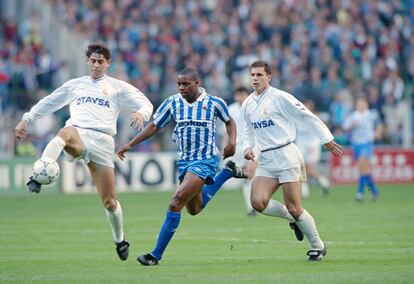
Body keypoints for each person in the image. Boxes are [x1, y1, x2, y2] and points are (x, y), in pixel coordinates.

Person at [14, 43, 153, 261]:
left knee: (109, 202)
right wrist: (27, 119)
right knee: (65, 132)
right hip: (78, 134)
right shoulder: (76, 85)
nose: (96, 65)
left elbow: (145, 103)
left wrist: (141, 114)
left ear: (108, 63)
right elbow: (50, 102)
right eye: (93, 61)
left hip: (103, 142)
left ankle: (120, 240)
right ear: (88, 61)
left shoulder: (117, 87)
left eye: (101, 61)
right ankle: (38, 176)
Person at [117, 67, 243, 266]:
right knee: (194, 209)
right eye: (179, 84)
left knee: (175, 202)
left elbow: (230, 121)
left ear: (197, 83)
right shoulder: (172, 102)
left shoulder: (214, 102)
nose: (182, 88)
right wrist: (131, 144)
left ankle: (155, 256)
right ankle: (227, 172)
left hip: (206, 160)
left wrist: (232, 142)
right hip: (184, 162)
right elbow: (155, 125)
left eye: (186, 84)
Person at [241, 60, 343, 261]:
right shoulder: (247, 103)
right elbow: (247, 130)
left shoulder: (280, 97)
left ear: (269, 77)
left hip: (286, 154)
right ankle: (292, 220)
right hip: (267, 158)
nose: (255, 78)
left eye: (259, 75)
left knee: (295, 207)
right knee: (257, 202)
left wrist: (326, 139)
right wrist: (247, 147)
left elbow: (306, 116)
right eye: (252, 75)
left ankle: (317, 245)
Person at [221, 86, 258, 216]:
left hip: (252, 146)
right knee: (246, 176)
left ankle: (251, 207)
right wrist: (224, 147)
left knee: (250, 175)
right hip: (237, 147)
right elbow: (226, 131)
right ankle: (251, 205)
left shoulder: (254, 107)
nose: (240, 97)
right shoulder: (230, 109)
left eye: (242, 94)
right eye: (238, 94)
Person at [342, 97, 382, 201]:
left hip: (367, 143)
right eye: (358, 103)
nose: (360, 105)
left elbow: (379, 125)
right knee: (363, 169)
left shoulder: (372, 114)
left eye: (362, 103)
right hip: (356, 144)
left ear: (366, 104)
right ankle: (374, 191)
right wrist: (352, 125)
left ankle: (360, 193)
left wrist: (378, 132)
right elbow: (345, 127)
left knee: (363, 163)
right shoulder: (353, 115)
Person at [295, 99, 331, 199]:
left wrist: (315, 145)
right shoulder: (297, 118)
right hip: (301, 147)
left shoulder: (314, 118)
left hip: (312, 147)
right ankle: (306, 192)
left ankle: (324, 183)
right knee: (301, 170)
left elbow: (320, 132)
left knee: (310, 170)